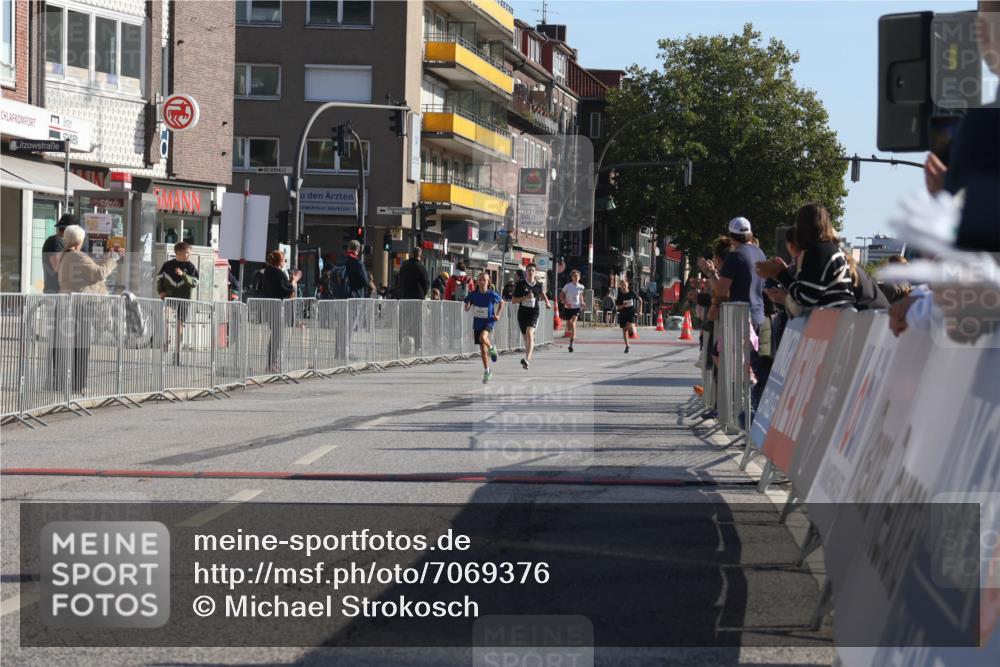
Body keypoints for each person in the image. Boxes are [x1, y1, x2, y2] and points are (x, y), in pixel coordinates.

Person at [57, 224, 125, 393]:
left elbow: (91, 271)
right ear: (79, 240)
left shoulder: (67, 256)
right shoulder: (77, 256)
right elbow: (99, 274)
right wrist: (114, 258)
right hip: (83, 305)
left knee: (79, 345)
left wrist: (108, 258)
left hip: (74, 303)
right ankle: (79, 385)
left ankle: (76, 384)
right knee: (82, 346)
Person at [756, 203, 855, 311]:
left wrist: (780, 274)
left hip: (831, 319)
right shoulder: (830, 248)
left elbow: (806, 298)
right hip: (840, 317)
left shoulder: (817, 251)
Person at [157, 242, 200, 364]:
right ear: (178, 252)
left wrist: (183, 275)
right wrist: (160, 292)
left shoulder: (190, 267)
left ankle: (177, 354)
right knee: (165, 316)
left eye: (189, 253)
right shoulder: (167, 265)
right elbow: (160, 279)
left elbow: (194, 283)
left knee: (179, 325)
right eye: (186, 253)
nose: (188, 255)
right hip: (169, 298)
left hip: (183, 299)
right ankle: (166, 341)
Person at [259, 250, 301, 373]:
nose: (285, 262)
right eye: (284, 259)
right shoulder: (278, 273)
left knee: (275, 336)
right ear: (280, 261)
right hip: (278, 308)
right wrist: (294, 280)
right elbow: (287, 290)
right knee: (276, 337)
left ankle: (272, 362)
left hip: (269, 307)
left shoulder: (267, 272)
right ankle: (271, 363)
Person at [464, 272, 504, 383]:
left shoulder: (491, 294)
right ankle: (487, 371)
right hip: (477, 323)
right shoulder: (473, 294)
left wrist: (498, 315)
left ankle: (492, 348)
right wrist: (467, 306)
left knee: (483, 337)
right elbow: (467, 303)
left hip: (489, 321)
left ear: (488, 282)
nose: (481, 282)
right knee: (482, 350)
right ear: (477, 282)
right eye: (480, 280)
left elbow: (502, 302)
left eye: (484, 280)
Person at [512, 263, 552, 370]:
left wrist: (547, 302)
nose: (530, 272)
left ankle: (527, 359)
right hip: (522, 314)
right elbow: (514, 300)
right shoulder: (520, 284)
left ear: (535, 272)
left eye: (532, 270)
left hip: (533, 313)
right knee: (527, 339)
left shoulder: (538, 284)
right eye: (529, 270)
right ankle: (528, 355)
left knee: (529, 333)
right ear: (526, 272)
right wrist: (525, 297)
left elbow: (542, 293)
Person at [43, 214, 75, 294]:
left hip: (63, 291)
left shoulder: (65, 242)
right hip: (55, 291)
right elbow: (57, 267)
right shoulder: (55, 241)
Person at [560, 270, 585, 352]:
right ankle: (571, 338)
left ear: (579, 278)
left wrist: (582, 302)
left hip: (576, 307)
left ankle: (571, 344)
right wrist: (565, 302)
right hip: (568, 307)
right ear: (572, 278)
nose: (576, 277)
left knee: (574, 323)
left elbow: (580, 295)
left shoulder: (581, 287)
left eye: (577, 276)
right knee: (569, 326)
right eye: (574, 276)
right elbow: (561, 295)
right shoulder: (567, 286)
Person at [616, 279, 640, 353]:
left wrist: (640, 311)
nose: (623, 286)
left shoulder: (632, 292)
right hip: (623, 313)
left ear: (627, 285)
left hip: (631, 313)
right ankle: (627, 346)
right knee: (624, 330)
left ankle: (632, 329)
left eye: (625, 285)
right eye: (622, 285)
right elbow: (618, 307)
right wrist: (623, 305)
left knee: (630, 328)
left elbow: (640, 300)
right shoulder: (620, 294)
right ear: (620, 286)